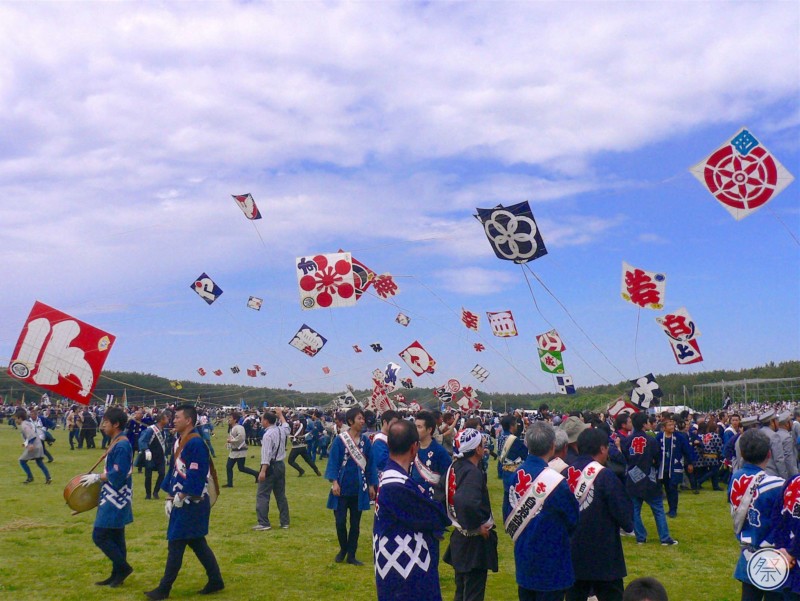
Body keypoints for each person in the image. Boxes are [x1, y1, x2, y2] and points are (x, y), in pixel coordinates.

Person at [145, 405, 223, 600]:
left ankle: (164, 588)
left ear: (188, 420)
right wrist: (170, 496)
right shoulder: (179, 440)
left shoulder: (195, 443)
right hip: (182, 499)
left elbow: (197, 473)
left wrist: (183, 495)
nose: (174, 420)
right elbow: (174, 470)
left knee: (176, 543)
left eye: (177, 417)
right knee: (197, 543)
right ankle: (215, 580)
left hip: (192, 502)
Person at [373, 419, 451, 601]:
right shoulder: (396, 484)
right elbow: (435, 516)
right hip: (404, 570)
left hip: (404, 563)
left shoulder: (394, 477)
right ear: (414, 447)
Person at [505, 422, 578, 601]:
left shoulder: (516, 475)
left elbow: (507, 514)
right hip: (552, 559)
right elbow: (573, 519)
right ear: (553, 446)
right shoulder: (557, 482)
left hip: (524, 556)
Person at [564, 428, 633, 601]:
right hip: (605, 555)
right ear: (602, 449)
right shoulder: (606, 476)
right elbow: (625, 517)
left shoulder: (564, 474)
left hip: (572, 554)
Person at [727, 429, 784, 601]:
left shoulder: (735, 477)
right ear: (769, 453)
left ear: (742, 453)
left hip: (747, 552)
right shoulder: (777, 485)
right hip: (773, 555)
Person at [81, 407, 134, 587]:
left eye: (106, 422)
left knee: (101, 535)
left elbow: (118, 474)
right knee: (116, 536)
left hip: (115, 496)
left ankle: (123, 568)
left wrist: (98, 477)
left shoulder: (122, 445)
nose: (102, 425)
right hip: (114, 495)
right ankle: (116, 574)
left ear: (116, 424)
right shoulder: (117, 442)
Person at [443, 428, 498, 601]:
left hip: (460, 536)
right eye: (482, 444)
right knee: (473, 592)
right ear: (477, 449)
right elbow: (465, 501)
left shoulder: (455, 467)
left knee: (461, 591)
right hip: (473, 542)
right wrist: (475, 527)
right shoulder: (472, 472)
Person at [325, 407, 378, 565]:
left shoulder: (365, 442)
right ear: (350, 421)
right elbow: (333, 461)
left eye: (363, 419)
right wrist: (334, 482)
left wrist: (371, 485)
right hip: (341, 488)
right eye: (359, 418)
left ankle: (352, 555)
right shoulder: (340, 440)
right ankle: (343, 549)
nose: (363, 421)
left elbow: (370, 465)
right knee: (340, 521)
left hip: (358, 489)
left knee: (355, 524)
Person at [621, 412, 677, 546]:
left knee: (635, 510)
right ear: (644, 424)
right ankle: (664, 537)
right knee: (658, 509)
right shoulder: (651, 440)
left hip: (633, 478)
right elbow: (658, 458)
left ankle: (641, 537)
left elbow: (625, 458)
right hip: (649, 478)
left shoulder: (627, 440)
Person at [254, 408, 290, 530]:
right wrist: (280, 415)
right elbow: (287, 427)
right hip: (281, 465)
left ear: (266, 421)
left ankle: (263, 523)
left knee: (262, 494)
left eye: (262, 419)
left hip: (270, 466)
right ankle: (285, 522)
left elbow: (266, 454)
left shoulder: (268, 435)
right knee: (280, 494)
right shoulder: (281, 430)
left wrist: (263, 471)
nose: (261, 421)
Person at [655, 416, 695, 518]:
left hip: (674, 466)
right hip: (662, 467)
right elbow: (655, 450)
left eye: (673, 425)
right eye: (669, 425)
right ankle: (669, 508)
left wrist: (690, 463)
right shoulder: (659, 437)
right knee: (666, 489)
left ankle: (673, 509)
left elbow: (687, 450)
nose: (672, 427)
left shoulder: (679, 437)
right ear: (664, 427)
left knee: (673, 488)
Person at [411, 411, 452, 501]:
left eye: (419, 427)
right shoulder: (412, 448)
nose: (415, 430)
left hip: (432, 501)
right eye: (415, 426)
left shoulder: (440, 452)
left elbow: (448, 479)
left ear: (429, 429)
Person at [499, 415, 529, 518]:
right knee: (513, 496)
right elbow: (525, 454)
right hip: (513, 470)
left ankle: (505, 517)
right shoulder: (514, 440)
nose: (517, 426)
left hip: (505, 469)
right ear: (512, 425)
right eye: (516, 424)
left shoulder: (501, 436)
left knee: (507, 495)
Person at [14, 407, 51, 484]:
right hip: (38, 444)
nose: (15, 421)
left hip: (34, 446)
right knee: (39, 463)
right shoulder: (27, 423)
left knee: (22, 461)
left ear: (20, 418)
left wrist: (30, 444)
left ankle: (30, 477)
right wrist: (25, 443)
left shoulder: (24, 425)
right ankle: (48, 478)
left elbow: (31, 435)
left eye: (16, 419)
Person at [139, 410, 170, 500]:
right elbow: (142, 440)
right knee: (148, 476)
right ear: (161, 420)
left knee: (162, 474)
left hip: (160, 457)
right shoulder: (151, 430)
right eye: (166, 418)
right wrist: (146, 449)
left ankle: (156, 492)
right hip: (150, 456)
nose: (168, 420)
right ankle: (148, 494)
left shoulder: (163, 430)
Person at [224, 411, 259, 487]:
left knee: (240, 468)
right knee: (231, 467)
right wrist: (228, 443)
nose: (229, 419)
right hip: (234, 451)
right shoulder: (232, 428)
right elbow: (232, 439)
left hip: (240, 451)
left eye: (230, 418)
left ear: (235, 419)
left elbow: (241, 437)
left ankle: (257, 474)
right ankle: (230, 484)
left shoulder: (240, 427)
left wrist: (231, 441)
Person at [372, 410, 400, 475]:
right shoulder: (379, 440)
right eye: (393, 424)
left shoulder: (392, 436)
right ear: (385, 422)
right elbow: (381, 462)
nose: (395, 426)